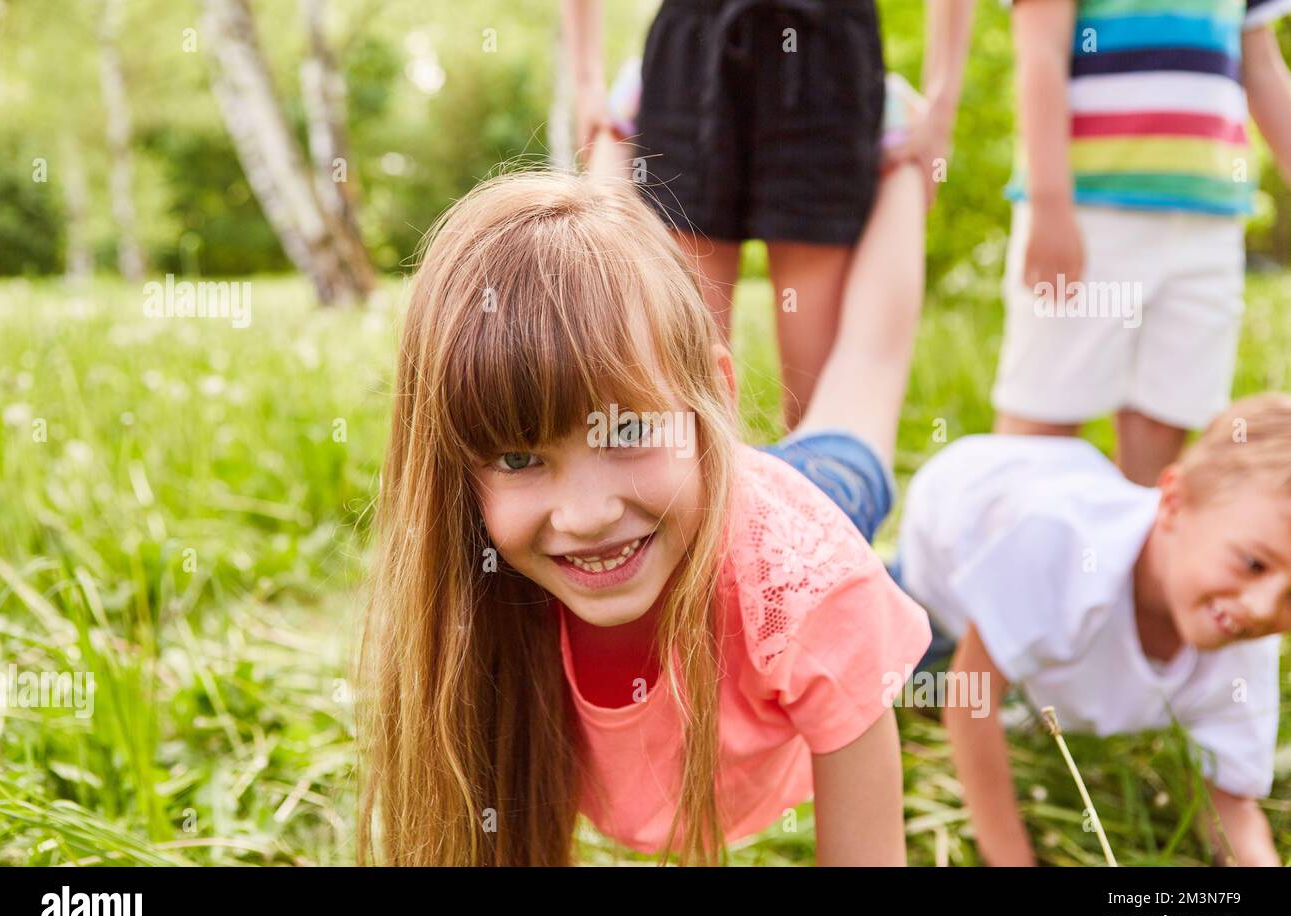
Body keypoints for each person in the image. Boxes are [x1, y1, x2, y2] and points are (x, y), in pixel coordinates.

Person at [357, 157, 933, 866]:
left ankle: (904, 158)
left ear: (713, 404)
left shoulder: (818, 596)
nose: (589, 513)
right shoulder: (474, 602)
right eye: (518, 458)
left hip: (796, 509)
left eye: (627, 432)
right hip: (688, 511)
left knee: (864, 380)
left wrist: (907, 159)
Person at [897, 393, 1291, 866]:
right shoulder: (1057, 548)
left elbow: (1229, 801)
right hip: (953, 546)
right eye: (1253, 563)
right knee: (905, 668)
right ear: (1173, 503)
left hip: (1057, 539)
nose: (1263, 608)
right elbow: (969, 699)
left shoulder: (1247, 641)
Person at [563, 0, 975, 431]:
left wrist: (942, 106)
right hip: (692, 51)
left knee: (819, 409)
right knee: (683, 401)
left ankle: (804, 491)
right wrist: (586, 81)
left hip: (828, 60)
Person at [994, 0, 1291, 486]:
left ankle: (1127, 559)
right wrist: (1051, 206)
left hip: (1208, 222)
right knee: (1043, 415)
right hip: (1088, 214)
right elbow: (1040, 53)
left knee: (1164, 422)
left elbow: (1260, 68)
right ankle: (1002, 552)